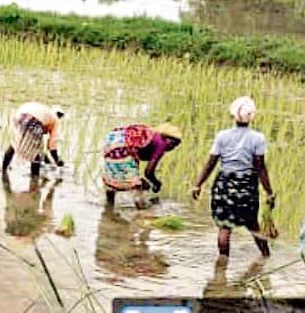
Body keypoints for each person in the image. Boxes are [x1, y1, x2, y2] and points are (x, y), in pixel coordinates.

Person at [191, 96, 274, 259]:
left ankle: (222, 265)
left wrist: (197, 184)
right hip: (247, 185)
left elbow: (211, 162)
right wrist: (269, 192)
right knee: (253, 224)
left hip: (224, 183)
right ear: (252, 116)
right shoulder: (258, 138)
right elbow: (260, 167)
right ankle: (266, 258)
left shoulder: (222, 136)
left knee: (224, 227)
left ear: (232, 116)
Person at [102, 122, 183, 207]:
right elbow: (148, 172)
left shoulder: (150, 135)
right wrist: (156, 183)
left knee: (112, 181)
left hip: (112, 140)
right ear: (164, 137)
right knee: (138, 186)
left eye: (176, 145)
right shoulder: (161, 143)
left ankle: (109, 208)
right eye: (172, 142)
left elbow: (138, 152)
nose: (172, 147)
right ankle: (141, 209)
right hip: (123, 146)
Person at [1, 101, 64, 176]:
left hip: (19, 115)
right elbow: (52, 145)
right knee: (36, 154)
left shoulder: (46, 113)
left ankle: (4, 170)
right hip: (33, 119)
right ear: (59, 116)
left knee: (15, 143)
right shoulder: (55, 120)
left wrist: (48, 162)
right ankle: (34, 178)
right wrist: (57, 160)